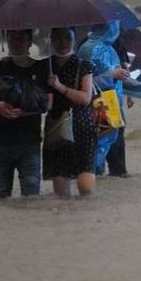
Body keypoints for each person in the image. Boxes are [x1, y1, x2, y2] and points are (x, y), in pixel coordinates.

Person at [77, 21, 141, 176]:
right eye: (114, 25)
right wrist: (111, 75)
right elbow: (82, 84)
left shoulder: (110, 50)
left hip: (114, 111)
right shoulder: (88, 49)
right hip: (97, 110)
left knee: (118, 169)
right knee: (95, 160)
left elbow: (121, 78)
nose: (116, 29)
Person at [0, 29, 51, 198]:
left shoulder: (41, 68)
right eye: (12, 38)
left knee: (31, 196)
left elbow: (48, 103)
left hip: (29, 144)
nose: (16, 42)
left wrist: (23, 112)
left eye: (21, 38)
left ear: (30, 41)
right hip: (0, 144)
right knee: (1, 197)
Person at [43, 27, 96, 197]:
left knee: (86, 190)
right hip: (57, 130)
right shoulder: (45, 66)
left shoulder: (84, 65)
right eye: (58, 38)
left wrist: (59, 86)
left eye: (68, 37)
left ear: (74, 38)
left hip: (82, 128)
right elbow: (42, 103)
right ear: (51, 39)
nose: (63, 43)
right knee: (60, 195)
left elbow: (85, 98)